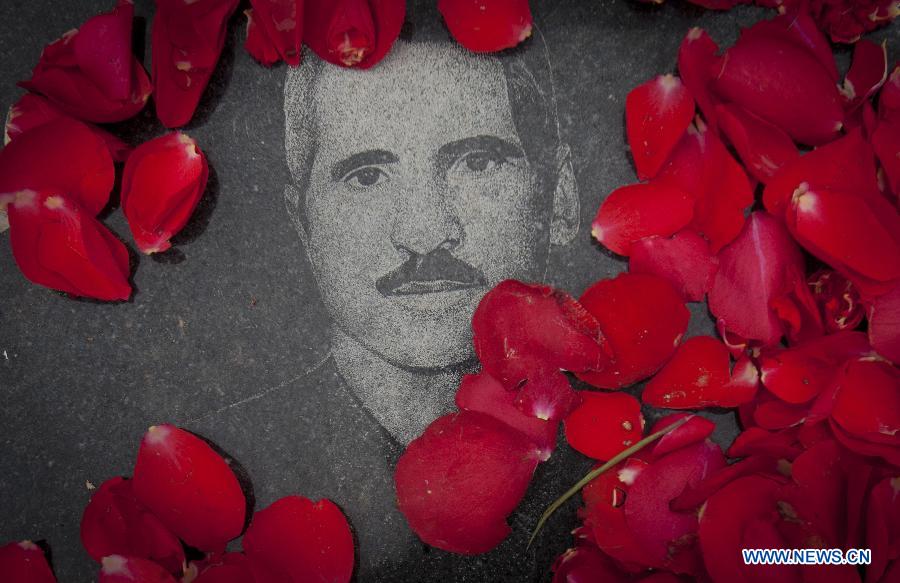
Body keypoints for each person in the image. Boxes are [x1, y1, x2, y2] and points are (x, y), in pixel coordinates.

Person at [196, 23, 589, 581]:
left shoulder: (638, 464)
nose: (425, 231)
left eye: (477, 162)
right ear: (302, 224)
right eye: (367, 176)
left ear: (559, 199)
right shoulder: (226, 472)